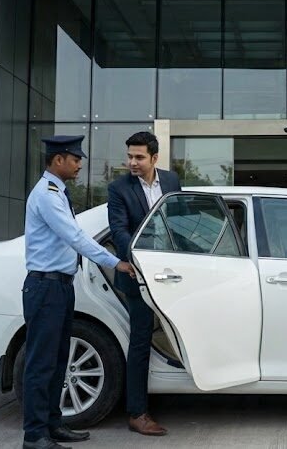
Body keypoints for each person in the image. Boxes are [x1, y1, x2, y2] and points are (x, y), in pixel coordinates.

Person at [22, 135, 134, 449]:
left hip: (59, 286)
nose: (80, 165)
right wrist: (116, 263)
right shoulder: (46, 194)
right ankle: (34, 436)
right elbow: (75, 237)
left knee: (59, 361)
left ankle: (54, 425)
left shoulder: (58, 193)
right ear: (58, 160)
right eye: (75, 159)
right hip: (45, 287)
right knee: (40, 364)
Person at [107, 131, 181, 437]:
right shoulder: (118, 188)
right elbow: (119, 232)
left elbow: (179, 221)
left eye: (139, 157)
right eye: (129, 157)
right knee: (140, 342)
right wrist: (140, 262)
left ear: (154, 158)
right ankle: (137, 412)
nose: (132, 163)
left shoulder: (172, 181)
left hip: (172, 274)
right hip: (137, 276)